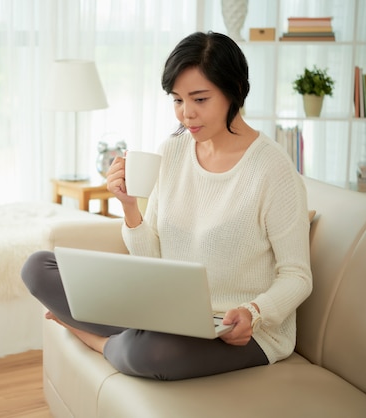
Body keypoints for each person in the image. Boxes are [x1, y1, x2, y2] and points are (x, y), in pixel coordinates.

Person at [21, 31, 312, 381]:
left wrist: (254, 312)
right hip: (164, 312)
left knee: (152, 352)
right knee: (38, 267)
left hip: (239, 330)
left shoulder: (273, 170)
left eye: (200, 99)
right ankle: (129, 335)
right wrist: (130, 208)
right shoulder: (173, 151)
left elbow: (297, 276)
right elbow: (152, 260)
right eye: (177, 100)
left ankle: (100, 342)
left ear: (234, 91)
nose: (186, 115)